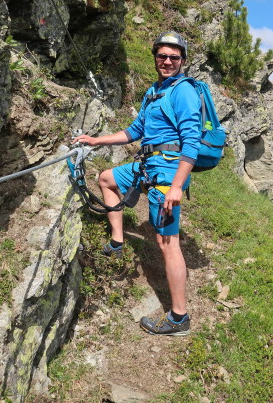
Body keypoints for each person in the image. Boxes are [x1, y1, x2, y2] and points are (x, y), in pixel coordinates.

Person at [72, 31, 200, 336]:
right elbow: (134, 131)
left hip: (168, 174)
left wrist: (178, 187)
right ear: (155, 57)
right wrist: (96, 140)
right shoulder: (154, 92)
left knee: (167, 243)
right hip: (147, 166)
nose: (167, 61)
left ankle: (179, 318)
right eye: (162, 56)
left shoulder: (183, 92)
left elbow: (192, 141)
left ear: (182, 61)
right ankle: (118, 241)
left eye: (174, 57)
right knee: (106, 179)